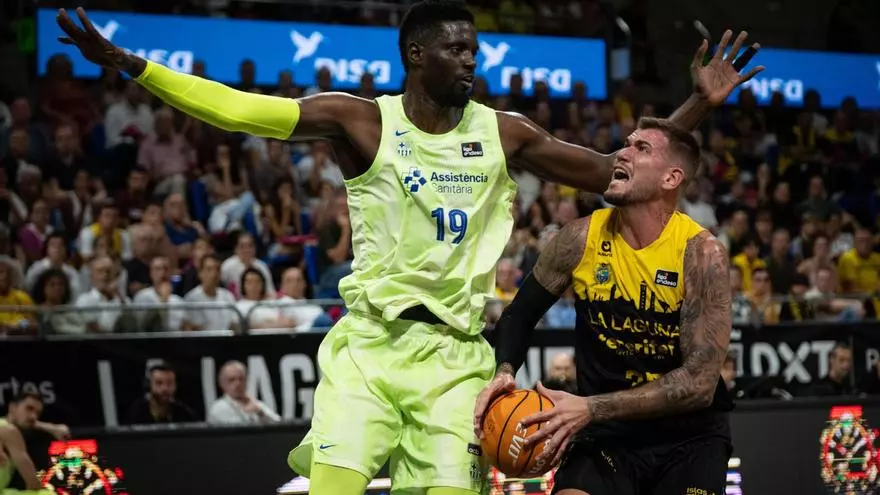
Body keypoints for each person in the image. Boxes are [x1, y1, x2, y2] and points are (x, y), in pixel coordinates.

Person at [57, 3, 761, 493]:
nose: (471, 60)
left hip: (457, 361)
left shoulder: (504, 132)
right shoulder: (360, 122)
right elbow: (244, 111)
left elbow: (622, 170)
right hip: (371, 346)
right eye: (456, 49)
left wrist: (698, 105)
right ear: (416, 55)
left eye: (475, 49)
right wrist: (134, 66)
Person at [475, 117, 734, 495]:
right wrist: (505, 370)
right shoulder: (578, 239)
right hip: (606, 437)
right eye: (626, 143)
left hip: (688, 439)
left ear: (671, 178)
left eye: (641, 148)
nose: (622, 153)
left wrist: (590, 407)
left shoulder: (701, 254)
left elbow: (698, 384)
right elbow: (519, 315)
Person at [0, 393, 49, 493]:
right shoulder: (10, 431)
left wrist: (52, 428)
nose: (33, 417)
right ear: (13, 407)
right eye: (29, 408)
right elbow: (33, 483)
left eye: (37, 413)